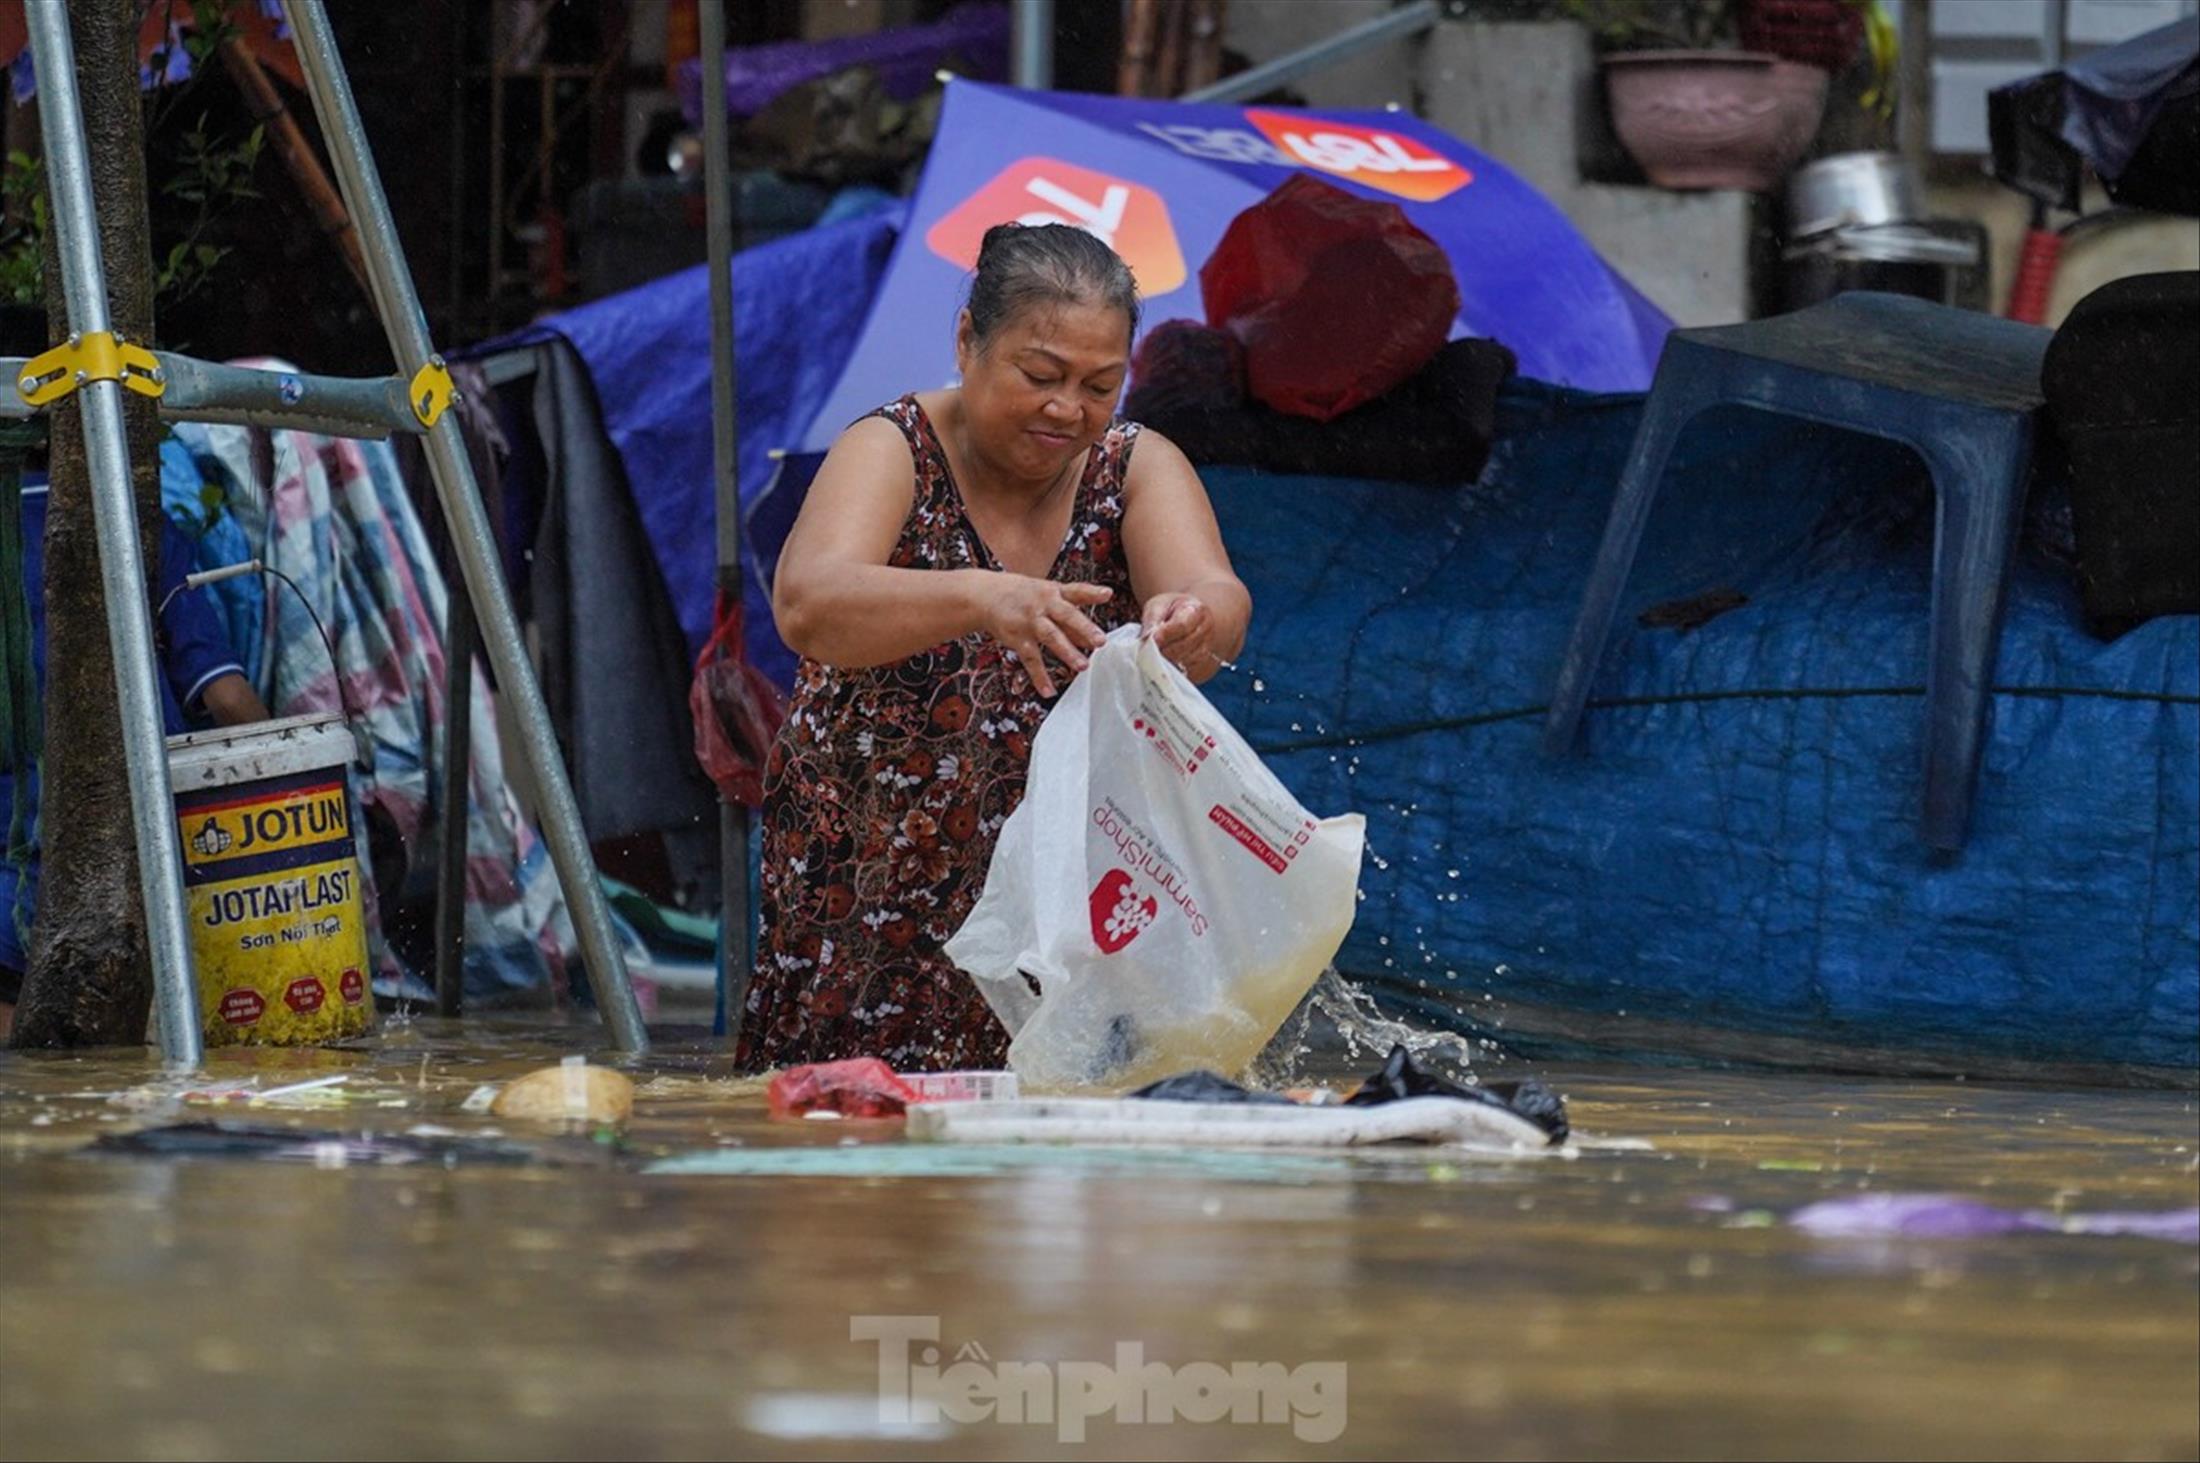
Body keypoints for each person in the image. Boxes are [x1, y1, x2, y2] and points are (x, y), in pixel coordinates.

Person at [737, 222, 1251, 1073]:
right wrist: (985, 595)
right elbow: (808, 601)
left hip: (1065, 917)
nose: (1068, 410)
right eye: (1040, 375)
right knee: (840, 1163)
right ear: (968, 339)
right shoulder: (892, 447)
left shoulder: (1133, 467)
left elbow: (1219, 597)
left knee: (1056, 1172)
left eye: (1100, 384)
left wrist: (1194, 616)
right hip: (866, 904)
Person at [0, 479, 269, 1038]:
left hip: (10, 891)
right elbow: (226, 698)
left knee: (36, 1079)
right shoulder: (135, 523)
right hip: (142, 884)